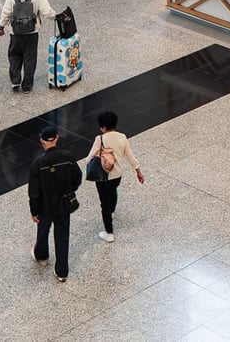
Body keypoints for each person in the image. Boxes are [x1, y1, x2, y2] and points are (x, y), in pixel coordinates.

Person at [28, 126, 83, 282]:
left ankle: (42, 256)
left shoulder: (38, 163)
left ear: (42, 141)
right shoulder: (67, 156)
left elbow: (34, 191)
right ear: (57, 138)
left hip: (45, 205)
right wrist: (70, 190)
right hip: (63, 204)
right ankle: (62, 272)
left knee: (43, 231)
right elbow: (77, 177)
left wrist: (34, 211)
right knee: (62, 235)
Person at [84, 111, 145, 243]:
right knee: (113, 191)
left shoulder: (100, 139)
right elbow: (130, 156)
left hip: (103, 176)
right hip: (117, 174)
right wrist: (138, 171)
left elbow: (89, 158)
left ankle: (109, 232)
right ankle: (112, 211)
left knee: (104, 203)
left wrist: (90, 161)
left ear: (103, 127)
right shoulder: (122, 137)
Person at [0, 0, 58, 92]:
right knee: (30, 58)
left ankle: (15, 81)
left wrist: (1, 27)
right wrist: (57, 17)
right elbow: (47, 12)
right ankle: (27, 86)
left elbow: (5, 14)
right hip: (32, 33)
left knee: (14, 56)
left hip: (15, 33)